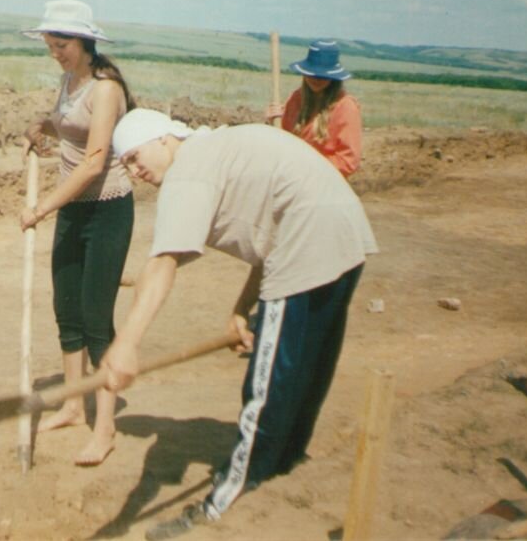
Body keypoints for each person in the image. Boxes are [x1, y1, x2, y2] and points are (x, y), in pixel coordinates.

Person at [100, 109, 378, 539]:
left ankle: (222, 505)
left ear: (163, 139)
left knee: (266, 390)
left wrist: (126, 345)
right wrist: (242, 308)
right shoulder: (217, 150)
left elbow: (161, 264)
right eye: (127, 165)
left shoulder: (189, 171)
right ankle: (283, 471)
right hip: (344, 233)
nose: (136, 172)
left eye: (136, 157)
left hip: (307, 241)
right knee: (303, 378)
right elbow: (271, 230)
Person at [19, 0, 136, 466]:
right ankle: (72, 404)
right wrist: (40, 125)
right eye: (50, 44)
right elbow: (69, 125)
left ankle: (104, 427)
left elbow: (93, 160)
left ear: (85, 44)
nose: (55, 52)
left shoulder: (106, 89)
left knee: (95, 317)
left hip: (106, 210)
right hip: (72, 209)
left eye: (62, 44)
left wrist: (43, 207)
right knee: (65, 307)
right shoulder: (69, 81)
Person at [264, 40, 362, 178]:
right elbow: (283, 144)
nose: (316, 79)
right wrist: (271, 124)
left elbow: (348, 161)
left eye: (322, 75)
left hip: (325, 183)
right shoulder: (297, 98)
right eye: (312, 73)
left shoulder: (345, 107)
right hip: (292, 178)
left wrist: (306, 168)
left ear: (334, 77)